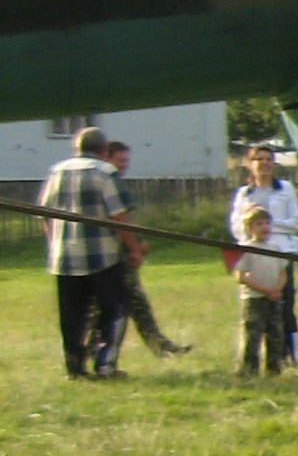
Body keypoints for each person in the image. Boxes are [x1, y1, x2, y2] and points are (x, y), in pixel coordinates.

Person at [36, 124, 129, 379]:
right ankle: (105, 364)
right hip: (103, 258)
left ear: (76, 147)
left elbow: (44, 214)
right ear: (102, 149)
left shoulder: (56, 172)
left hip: (64, 258)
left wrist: (55, 242)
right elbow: (119, 215)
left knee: (72, 316)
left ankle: (75, 368)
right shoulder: (105, 172)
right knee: (114, 311)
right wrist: (135, 247)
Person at [98, 138, 190, 364]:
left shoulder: (114, 181)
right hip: (111, 257)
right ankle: (100, 353)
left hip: (121, 255)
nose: (124, 165)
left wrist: (138, 242)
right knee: (113, 308)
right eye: (120, 160)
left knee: (137, 304)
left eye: (127, 161)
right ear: (106, 158)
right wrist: (135, 248)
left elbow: (125, 220)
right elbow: (117, 220)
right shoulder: (106, 181)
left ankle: (160, 345)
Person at [241, 140, 298, 362]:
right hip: (254, 256)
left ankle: (295, 356)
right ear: (250, 163)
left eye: (268, 160)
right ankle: (256, 359)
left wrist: (265, 222)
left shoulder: (285, 189)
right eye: (259, 159)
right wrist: (252, 230)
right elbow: (237, 225)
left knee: (285, 308)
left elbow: (296, 223)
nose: (264, 164)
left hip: (281, 253)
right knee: (255, 313)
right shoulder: (244, 194)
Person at [229, 209, 293, 376]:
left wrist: (277, 290)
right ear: (250, 229)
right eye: (259, 224)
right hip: (254, 299)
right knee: (253, 336)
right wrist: (264, 290)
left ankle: (274, 370)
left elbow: (282, 273)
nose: (264, 227)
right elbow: (241, 276)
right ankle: (248, 371)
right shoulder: (246, 249)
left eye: (267, 223)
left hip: (274, 300)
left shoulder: (275, 248)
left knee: (276, 335)